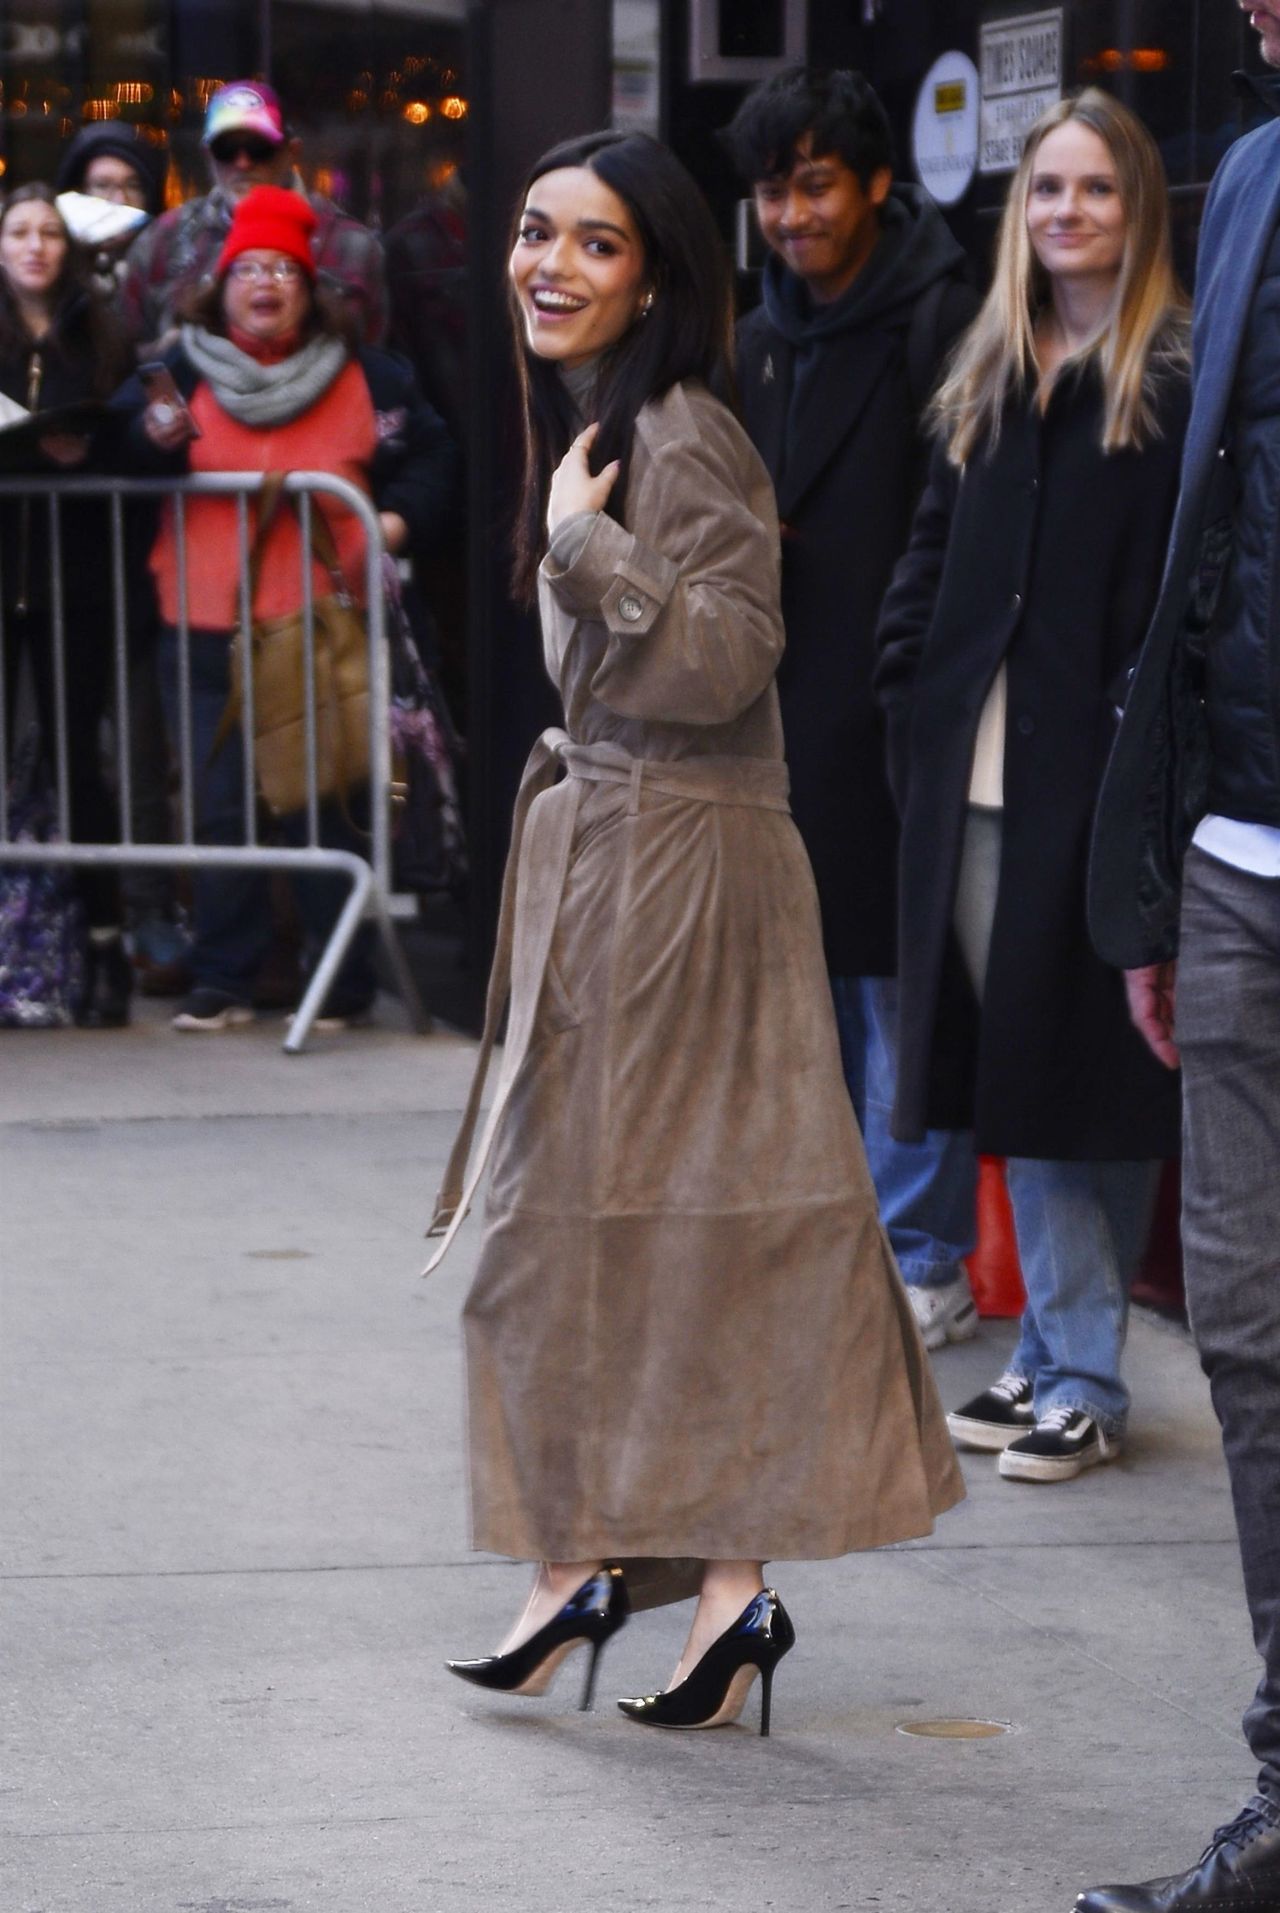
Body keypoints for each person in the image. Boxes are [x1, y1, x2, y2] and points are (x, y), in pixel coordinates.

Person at [425, 128, 963, 1735]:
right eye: (535, 233)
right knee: (601, 1237)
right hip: (617, 853)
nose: (549, 265)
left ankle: (644, 1574)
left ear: (655, 271)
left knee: (654, 1235)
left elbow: (735, 652)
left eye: (593, 244)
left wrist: (591, 551)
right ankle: (662, 1580)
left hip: (684, 868)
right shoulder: (606, 423)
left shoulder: (683, 430)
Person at [874, 90, 1188, 1485]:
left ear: (1141, 212)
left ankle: (1076, 1368)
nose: (1067, 212)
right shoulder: (988, 364)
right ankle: (1064, 1355)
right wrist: (906, 676)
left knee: (1081, 1068)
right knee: (1043, 1063)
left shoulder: (1169, 375)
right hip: (977, 775)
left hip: (1102, 779)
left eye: (1097, 190)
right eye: (1047, 189)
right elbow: (929, 548)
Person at [1078, 5, 1280, 1905]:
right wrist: (1162, 852)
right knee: (1251, 1332)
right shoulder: (1252, 176)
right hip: (1239, 850)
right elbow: (1209, 523)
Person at [722, 65, 982, 1352]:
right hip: (775, 701)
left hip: (897, 698)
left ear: (877, 184)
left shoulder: (945, 316)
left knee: (898, 984)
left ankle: (922, 1254)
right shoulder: (756, 332)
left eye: (813, 183)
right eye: (771, 189)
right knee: (803, 989)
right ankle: (834, 1236)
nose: (789, 214)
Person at [115, 184, 454, 1031]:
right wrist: (138, 442)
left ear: (310, 289)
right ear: (220, 285)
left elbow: (432, 455)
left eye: (285, 271)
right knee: (221, 807)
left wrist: (395, 519)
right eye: (250, 269)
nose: (266, 284)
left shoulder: (368, 375)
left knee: (319, 802)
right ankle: (224, 977)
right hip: (199, 624)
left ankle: (338, 983)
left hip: (318, 625)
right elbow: (116, 453)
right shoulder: (177, 369)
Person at [0, 184, 134, 1026]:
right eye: (19, 231)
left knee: (81, 756)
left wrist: (88, 445)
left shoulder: (105, 331)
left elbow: (132, 434)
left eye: (50, 231)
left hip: (74, 578)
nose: (36, 245)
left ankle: (104, 945)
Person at [119, 81, 387, 354]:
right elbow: (128, 358)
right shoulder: (165, 238)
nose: (243, 163)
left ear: (290, 152)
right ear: (208, 156)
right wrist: (170, 359)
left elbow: (376, 360)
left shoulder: (351, 244)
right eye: (226, 149)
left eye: (259, 148)